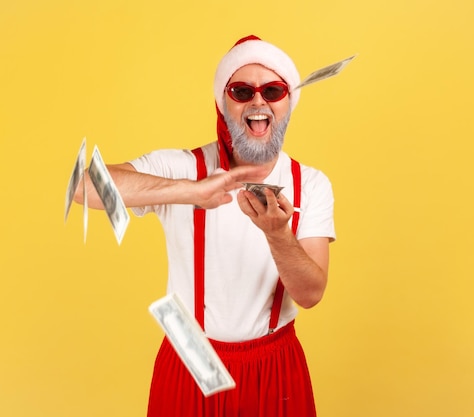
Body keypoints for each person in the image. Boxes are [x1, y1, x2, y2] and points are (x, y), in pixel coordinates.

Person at [75, 35, 336, 417]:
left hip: (274, 359)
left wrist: (278, 234)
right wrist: (190, 190)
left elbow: (311, 295)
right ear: (223, 102)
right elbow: (85, 186)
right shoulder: (181, 167)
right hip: (189, 354)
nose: (258, 102)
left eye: (273, 90)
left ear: (289, 101)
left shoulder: (310, 183)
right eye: (242, 90)